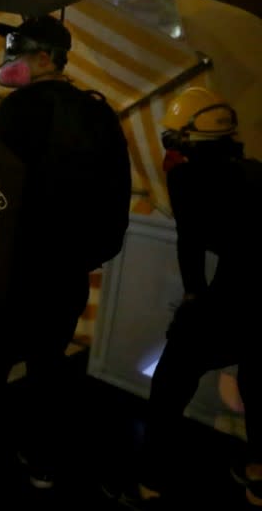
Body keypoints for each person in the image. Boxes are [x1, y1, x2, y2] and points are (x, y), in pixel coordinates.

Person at [0, 14, 131, 489]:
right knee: (49, 359)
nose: (6, 62)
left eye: (15, 52)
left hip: (18, 260)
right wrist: (93, 251)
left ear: (45, 57)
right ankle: (41, 456)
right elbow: (116, 190)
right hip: (70, 265)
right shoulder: (98, 111)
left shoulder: (21, 108)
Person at [105, 87, 262, 509]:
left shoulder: (186, 176)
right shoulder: (255, 170)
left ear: (190, 138)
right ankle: (257, 474)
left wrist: (194, 297)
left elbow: (190, 242)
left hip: (236, 298)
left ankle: (150, 482)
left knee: (171, 386)